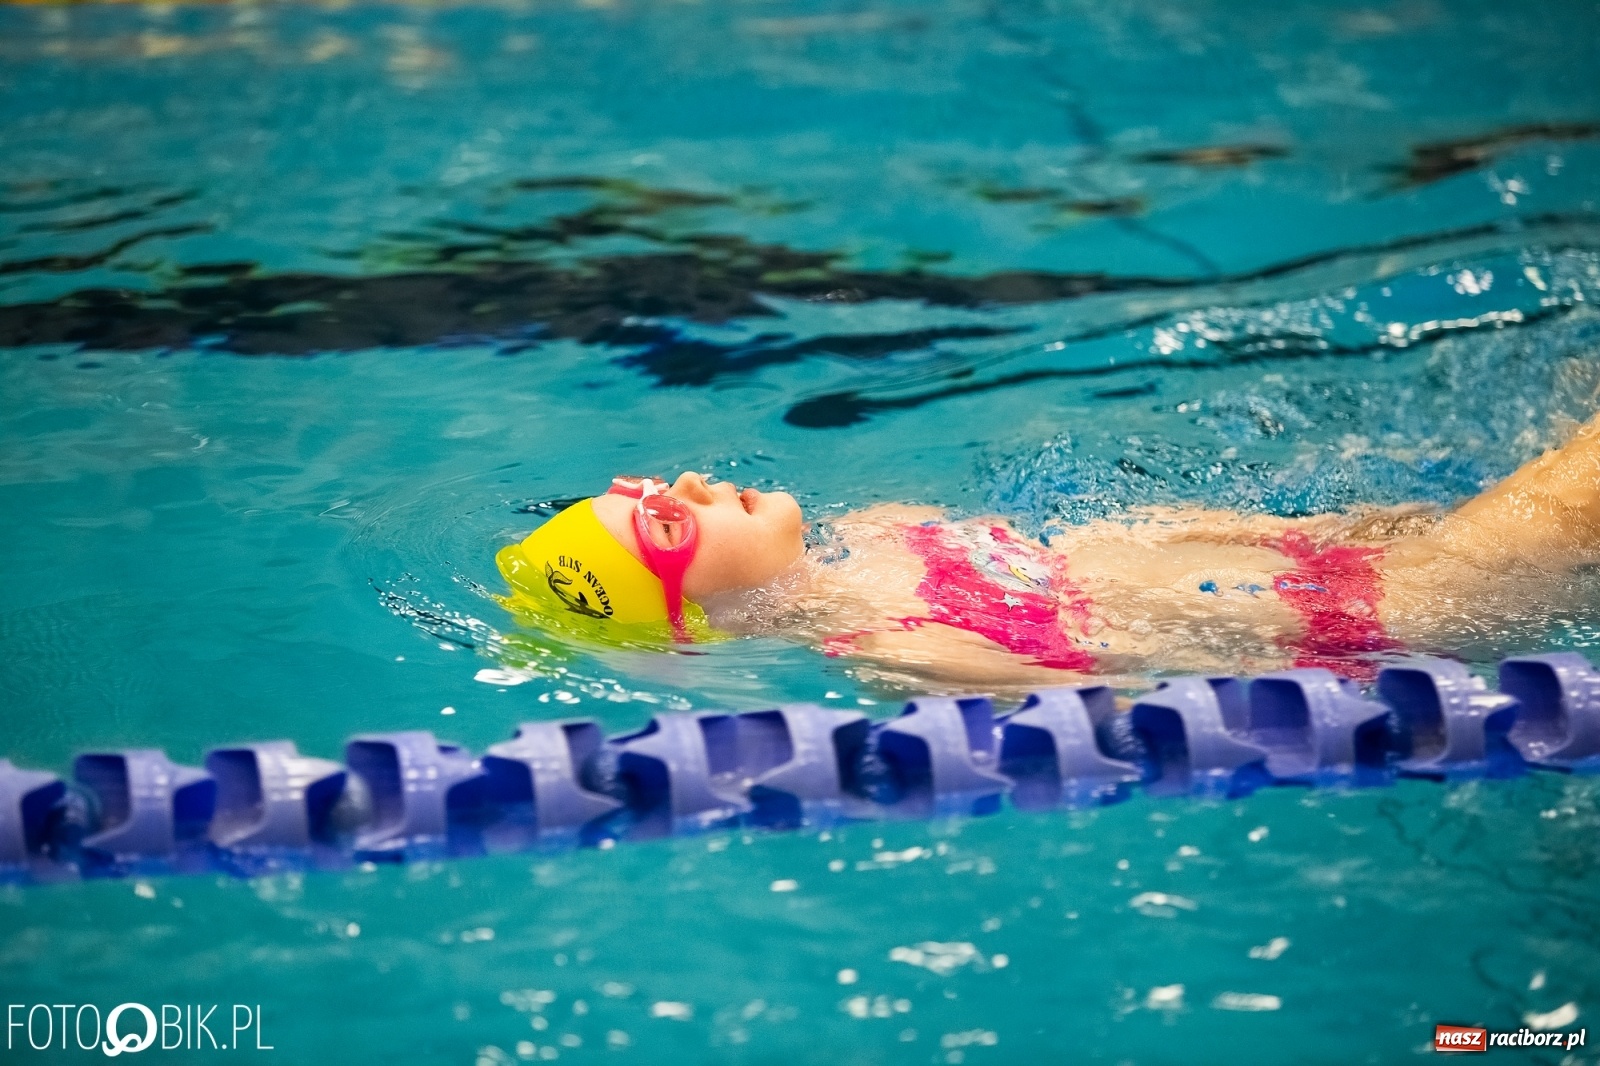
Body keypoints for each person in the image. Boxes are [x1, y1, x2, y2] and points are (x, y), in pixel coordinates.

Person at [495, 413, 1600, 691]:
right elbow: (1127, 692)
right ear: (692, 615)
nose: (685, 481)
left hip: (1336, 557)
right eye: (671, 521)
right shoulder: (905, 648)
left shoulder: (888, 529)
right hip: (1385, 612)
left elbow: (1091, 561)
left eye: (652, 487)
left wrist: (1299, 534)